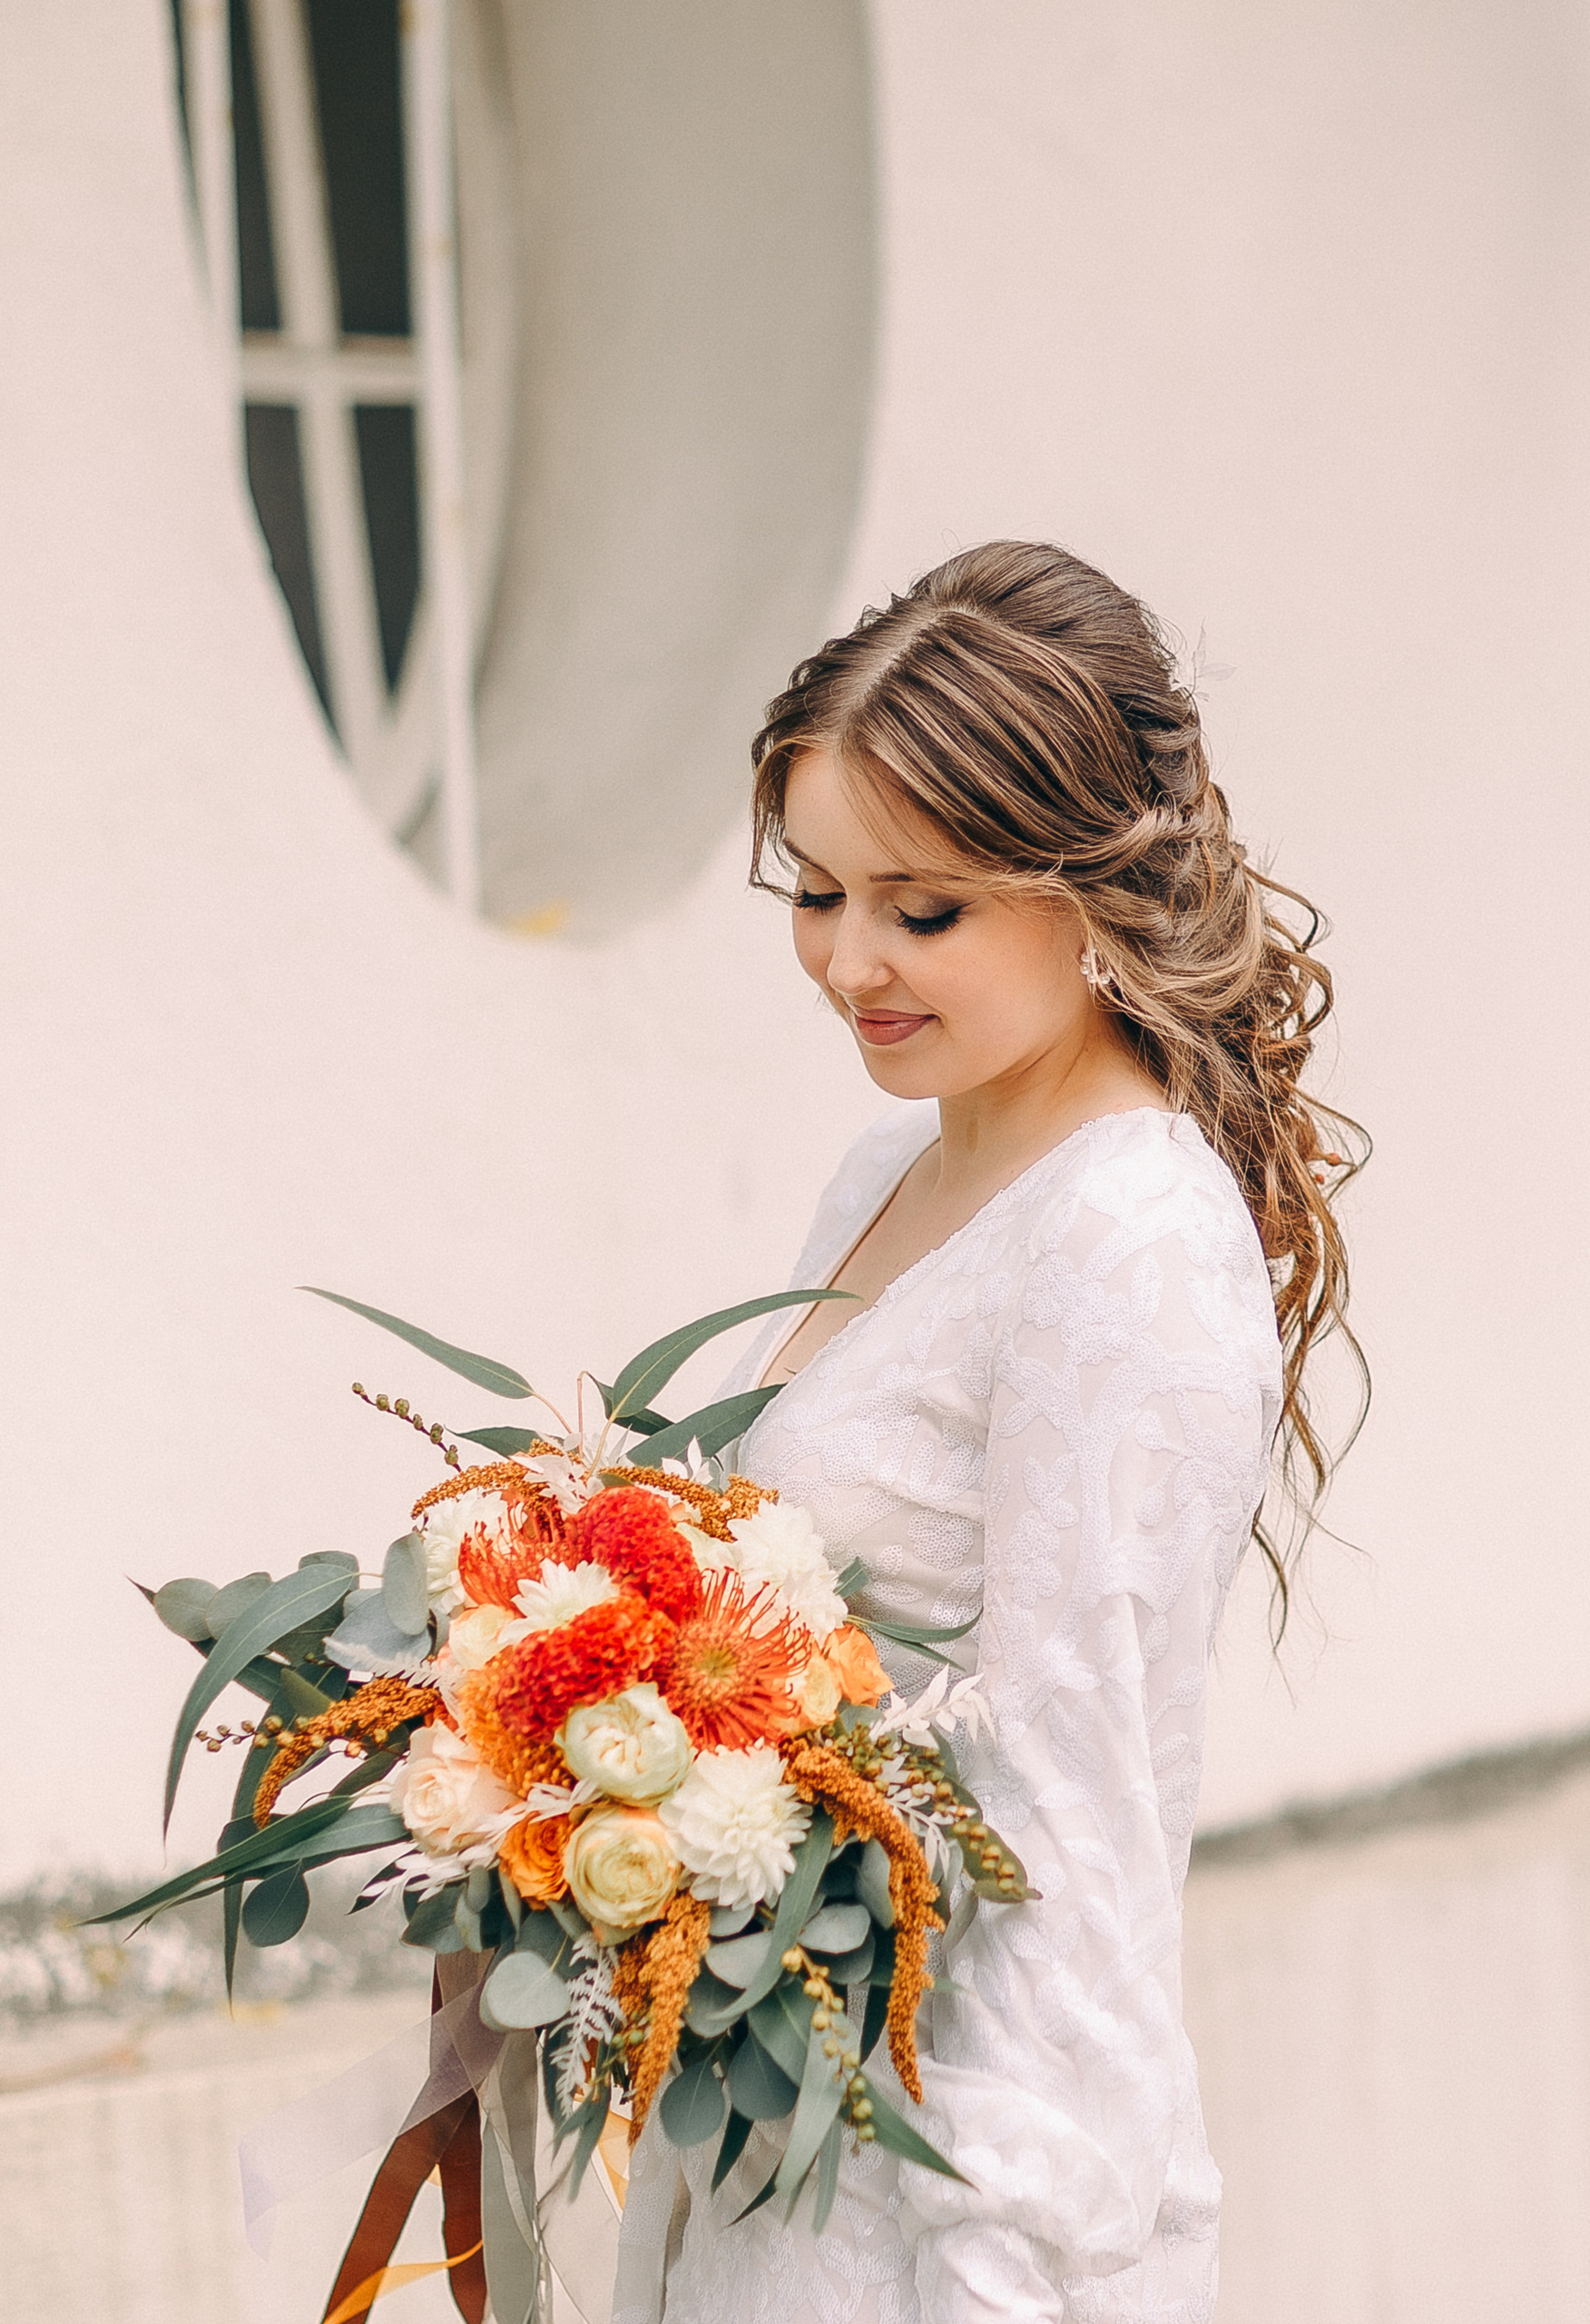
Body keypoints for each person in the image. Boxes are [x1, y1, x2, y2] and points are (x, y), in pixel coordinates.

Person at [616, 540, 1364, 2324]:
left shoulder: (1126, 1234)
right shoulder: (892, 1164)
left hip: (952, 2189)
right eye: (817, 892)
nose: (848, 959)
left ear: (1088, 885)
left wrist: (1000, 2251)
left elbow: (1073, 1815)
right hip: (786, 2121)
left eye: (921, 907)